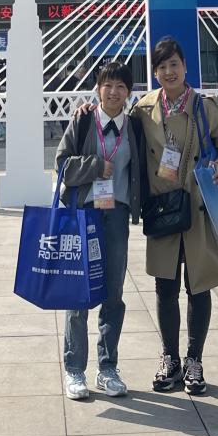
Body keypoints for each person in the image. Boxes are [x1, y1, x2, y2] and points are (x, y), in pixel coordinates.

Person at [132, 37, 218, 396]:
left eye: (174, 64)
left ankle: (195, 360)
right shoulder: (143, 109)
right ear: (155, 72)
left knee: (199, 284)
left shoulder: (204, 107)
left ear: (185, 67)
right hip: (163, 208)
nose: (169, 72)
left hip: (197, 207)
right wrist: (89, 112)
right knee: (165, 286)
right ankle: (170, 359)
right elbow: (117, 129)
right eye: (162, 66)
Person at [56, 62, 143, 401]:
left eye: (121, 86)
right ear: (97, 89)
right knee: (79, 293)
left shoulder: (133, 126)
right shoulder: (83, 121)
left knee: (113, 293)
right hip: (85, 214)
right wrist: (95, 166)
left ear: (129, 92)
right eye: (108, 85)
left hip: (116, 216)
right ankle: (74, 369)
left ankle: (107, 368)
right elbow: (62, 164)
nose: (113, 92)